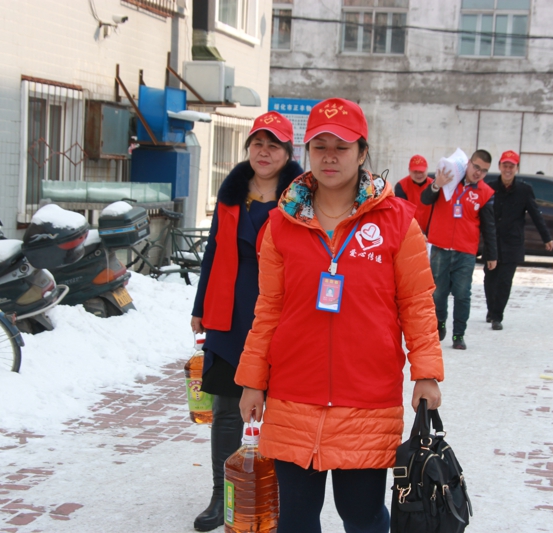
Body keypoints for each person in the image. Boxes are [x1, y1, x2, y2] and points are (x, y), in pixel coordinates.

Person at [235, 98, 443, 533]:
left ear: (363, 152)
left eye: (342, 147)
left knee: (363, 517)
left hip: (366, 399)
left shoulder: (397, 222)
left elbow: (417, 304)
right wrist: (253, 380)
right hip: (293, 396)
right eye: (320, 146)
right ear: (307, 152)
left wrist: (425, 373)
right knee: (296, 520)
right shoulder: (280, 225)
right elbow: (268, 309)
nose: (330, 156)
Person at [189, 111, 303, 532]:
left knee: (281, 411)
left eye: (273, 145)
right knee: (226, 411)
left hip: (283, 312)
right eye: (258, 143)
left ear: (288, 152)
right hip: (230, 312)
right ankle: (223, 496)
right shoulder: (232, 193)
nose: (264, 152)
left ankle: (278, 498)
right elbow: (213, 251)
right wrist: (200, 307)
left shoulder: (301, 197)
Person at [421, 150, 497, 350]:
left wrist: (492, 254)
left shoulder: (485, 193)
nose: (478, 173)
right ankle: (440, 322)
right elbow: (425, 199)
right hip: (440, 247)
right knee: (438, 293)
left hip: (465, 251)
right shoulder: (449, 179)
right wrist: (436, 184)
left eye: (484, 171)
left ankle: (459, 334)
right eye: (476, 167)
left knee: (462, 294)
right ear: (468, 163)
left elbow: (489, 226)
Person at [484, 150, 553, 330]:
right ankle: (491, 309)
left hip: (513, 243)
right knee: (490, 279)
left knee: (505, 281)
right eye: (505, 166)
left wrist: (546, 237)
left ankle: (497, 316)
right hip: (492, 242)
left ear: (516, 168)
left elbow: (535, 214)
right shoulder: (489, 188)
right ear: (499, 166)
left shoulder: (524, 190)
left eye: (511, 166)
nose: (508, 169)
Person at [394, 154, 434, 234]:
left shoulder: (434, 185)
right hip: (411, 231)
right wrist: (418, 233)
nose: (419, 175)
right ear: (409, 170)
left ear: (427, 170)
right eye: (415, 171)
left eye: (421, 171)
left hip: (432, 231)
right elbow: (404, 213)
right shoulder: (401, 186)